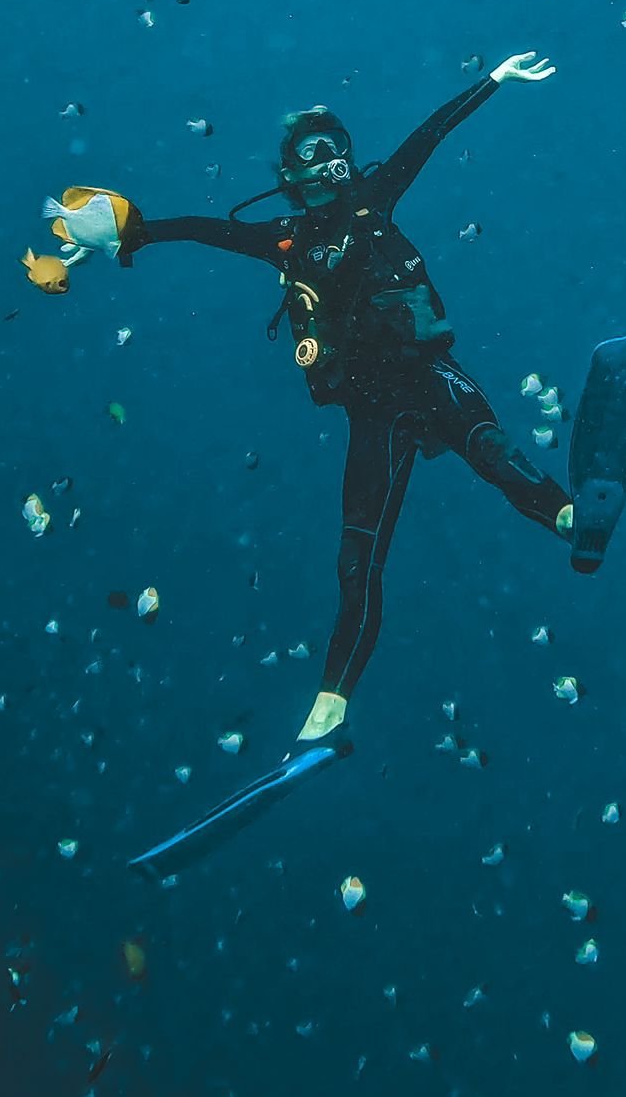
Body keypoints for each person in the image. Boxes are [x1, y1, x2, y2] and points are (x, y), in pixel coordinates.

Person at [109, 52, 570, 749]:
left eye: (336, 146)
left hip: (427, 373)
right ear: (289, 174)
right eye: (311, 151)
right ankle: (331, 703)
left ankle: (569, 516)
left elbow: (427, 136)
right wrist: (137, 232)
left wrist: (493, 80)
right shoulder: (285, 240)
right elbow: (209, 230)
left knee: (491, 448)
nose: (328, 159)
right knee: (356, 559)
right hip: (371, 408)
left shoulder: (373, 198)